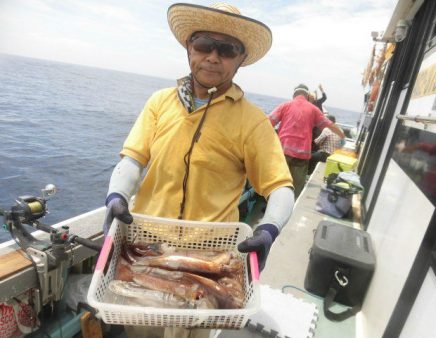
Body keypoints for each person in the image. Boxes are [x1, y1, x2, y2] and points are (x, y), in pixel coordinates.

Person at [102, 3, 294, 338]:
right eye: (204, 44)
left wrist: (269, 230)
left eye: (228, 49)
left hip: (210, 256)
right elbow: (132, 159)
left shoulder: (252, 122)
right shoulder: (159, 102)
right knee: (139, 330)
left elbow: (280, 187)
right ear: (189, 48)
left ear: (240, 59)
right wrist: (116, 196)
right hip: (147, 245)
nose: (213, 57)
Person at [269, 84, 345, 198]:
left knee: (278, 183)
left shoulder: (285, 105)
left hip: (283, 151)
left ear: (294, 94)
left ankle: (273, 206)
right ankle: (291, 206)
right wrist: (342, 135)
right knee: (296, 185)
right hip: (302, 154)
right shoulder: (313, 109)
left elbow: (268, 122)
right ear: (307, 95)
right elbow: (329, 124)